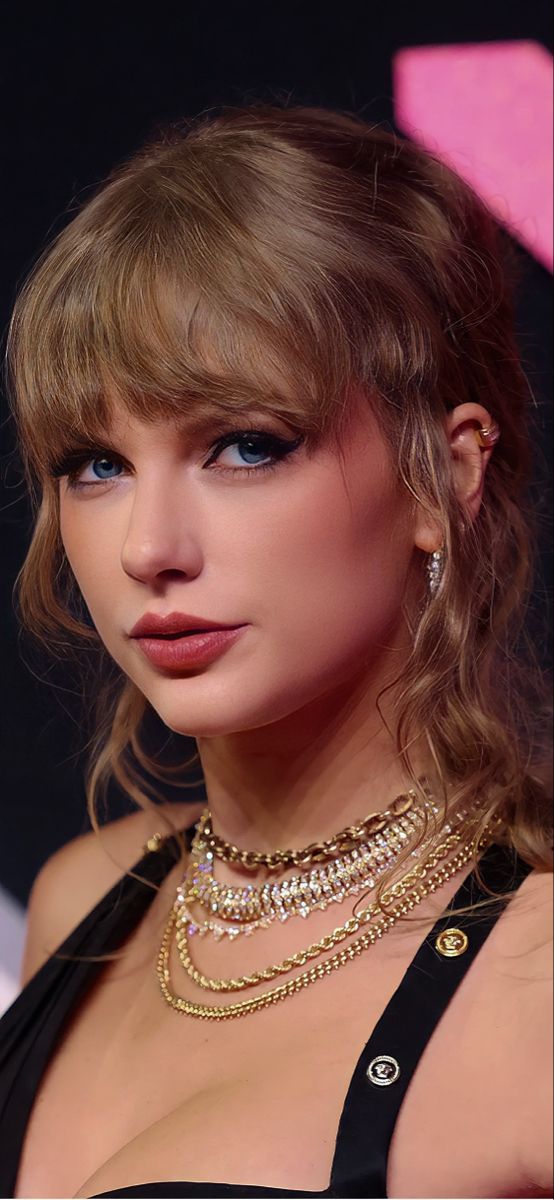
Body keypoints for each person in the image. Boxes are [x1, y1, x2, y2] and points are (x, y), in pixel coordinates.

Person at [0, 103, 551, 1200]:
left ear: (443, 478)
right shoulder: (86, 903)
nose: (148, 548)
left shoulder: (535, 981)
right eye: (94, 465)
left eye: (245, 446)